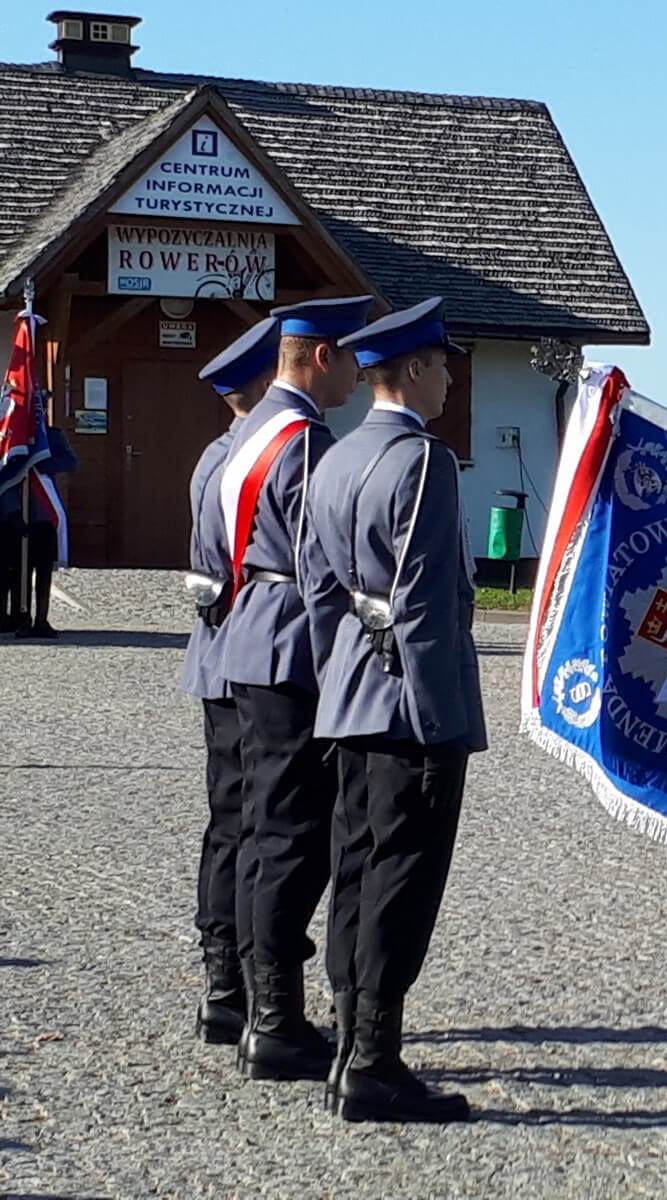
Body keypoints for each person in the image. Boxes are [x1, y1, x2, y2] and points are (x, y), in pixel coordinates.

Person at [299, 298, 484, 1123]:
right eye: (443, 365)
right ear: (412, 370)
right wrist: (441, 722)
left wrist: (336, 678)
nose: (450, 379)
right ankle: (373, 1061)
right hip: (411, 706)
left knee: (356, 871)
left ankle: (349, 1047)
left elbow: (316, 589)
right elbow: (421, 606)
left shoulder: (334, 458)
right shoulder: (426, 462)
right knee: (403, 882)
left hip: (348, 697)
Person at [214, 295, 370, 1080]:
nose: (356, 371)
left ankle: (252, 1001)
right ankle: (276, 1016)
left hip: (247, 636)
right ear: (320, 358)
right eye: (350, 357)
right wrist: (340, 669)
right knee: (291, 840)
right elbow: (320, 568)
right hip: (289, 650)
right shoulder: (304, 442)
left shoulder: (250, 432)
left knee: (257, 831)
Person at [181, 316, 280, 1046]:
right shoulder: (256, 458)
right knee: (258, 824)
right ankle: (245, 977)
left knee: (229, 822)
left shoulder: (214, 457)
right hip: (251, 656)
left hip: (217, 654)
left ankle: (224, 983)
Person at [4, 423, 76, 638]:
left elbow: (71, 462)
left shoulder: (53, 436)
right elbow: (4, 476)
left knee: (44, 570)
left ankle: (41, 619)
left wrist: (44, 465)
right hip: (18, 515)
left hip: (44, 514)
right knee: (19, 571)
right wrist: (12, 510)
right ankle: (21, 617)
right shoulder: (11, 435)